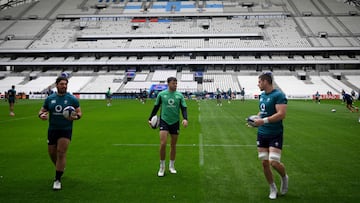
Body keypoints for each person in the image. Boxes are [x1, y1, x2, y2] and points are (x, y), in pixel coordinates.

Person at [38, 76, 82, 190]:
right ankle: (60, 167)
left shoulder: (72, 99)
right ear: (56, 85)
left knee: (61, 152)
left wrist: (76, 117)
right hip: (52, 130)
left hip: (66, 130)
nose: (64, 86)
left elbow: (79, 112)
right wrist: (41, 115)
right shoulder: (50, 98)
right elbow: (42, 110)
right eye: (62, 84)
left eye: (65, 84)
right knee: (52, 154)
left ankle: (57, 179)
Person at [251, 72, 289, 200]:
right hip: (262, 134)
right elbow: (262, 113)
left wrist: (263, 121)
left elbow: (281, 114)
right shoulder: (261, 96)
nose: (258, 84)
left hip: (275, 133)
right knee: (264, 163)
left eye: (259, 82)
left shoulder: (279, 95)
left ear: (265, 81)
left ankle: (284, 177)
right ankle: (272, 187)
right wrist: (255, 120)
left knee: (274, 162)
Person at [148, 77, 188, 177]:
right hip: (164, 121)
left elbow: (184, 108)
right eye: (174, 83)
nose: (175, 85)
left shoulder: (179, 95)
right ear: (169, 84)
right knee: (163, 143)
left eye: (176, 83)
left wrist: (185, 118)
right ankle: (161, 167)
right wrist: (150, 118)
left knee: (173, 145)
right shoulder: (161, 94)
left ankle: (171, 166)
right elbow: (156, 107)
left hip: (175, 122)